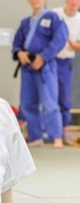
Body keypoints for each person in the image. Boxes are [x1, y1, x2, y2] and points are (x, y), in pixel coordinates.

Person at [13, 0, 68, 148]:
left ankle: (57, 136)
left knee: (49, 102)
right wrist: (19, 53)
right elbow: (17, 42)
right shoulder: (25, 22)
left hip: (45, 66)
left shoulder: (53, 17)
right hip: (27, 67)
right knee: (27, 103)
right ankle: (35, 136)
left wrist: (43, 57)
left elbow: (60, 39)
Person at [53, 0, 80, 145]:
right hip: (49, 60)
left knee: (64, 98)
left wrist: (73, 45)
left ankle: (64, 132)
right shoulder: (55, 14)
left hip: (65, 62)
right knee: (48, 98)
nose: (73, 2)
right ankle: (48, 132)